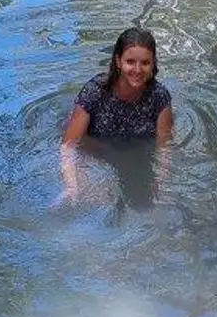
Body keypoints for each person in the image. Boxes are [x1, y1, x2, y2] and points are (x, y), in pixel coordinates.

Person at [60, 28, 173, 202]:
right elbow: (69, 145)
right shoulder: (95, 91)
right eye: (130, 62)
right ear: (118, 61)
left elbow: (164, 147)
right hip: (93, 154)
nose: (137, 69)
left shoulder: (160, 97)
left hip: (134, 155)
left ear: (152, 64)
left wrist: (160, 182)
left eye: (144, 63)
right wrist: (72, 186)